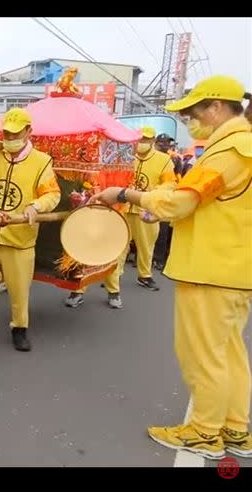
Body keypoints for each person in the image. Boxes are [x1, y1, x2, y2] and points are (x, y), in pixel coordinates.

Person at [90, 75, 252, 460]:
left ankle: (205, 432)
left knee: (203, 354)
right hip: (233, 269)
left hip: (210, 270)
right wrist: (153, 204)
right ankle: (235, 427)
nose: (188, 122)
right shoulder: (239, 146)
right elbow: (194, 198)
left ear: (215, 107)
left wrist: (126, 195)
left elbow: (181, 201)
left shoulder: (230, 149)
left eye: (193, 113)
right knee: (229, 353)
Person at [0, 108, 61, 354]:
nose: (9, 138)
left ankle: (20, 328)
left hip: (19, 238)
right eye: (6, 133)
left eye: (15, 133)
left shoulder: (41, 161)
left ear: (29, 131)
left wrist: (35, 206)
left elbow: (52, 194)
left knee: (19, 289)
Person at [65, 125, 177, 309]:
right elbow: (92, 181)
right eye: (139, 139)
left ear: (153, 141)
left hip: (142, 209)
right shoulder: (119, 156)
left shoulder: (163, 160)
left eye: (146, 140)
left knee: (143, 247)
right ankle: (80, 289)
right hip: (110, 209)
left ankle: (138, 278)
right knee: (104, 251)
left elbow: (170, 183)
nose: (141, 143)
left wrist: (150, 196)